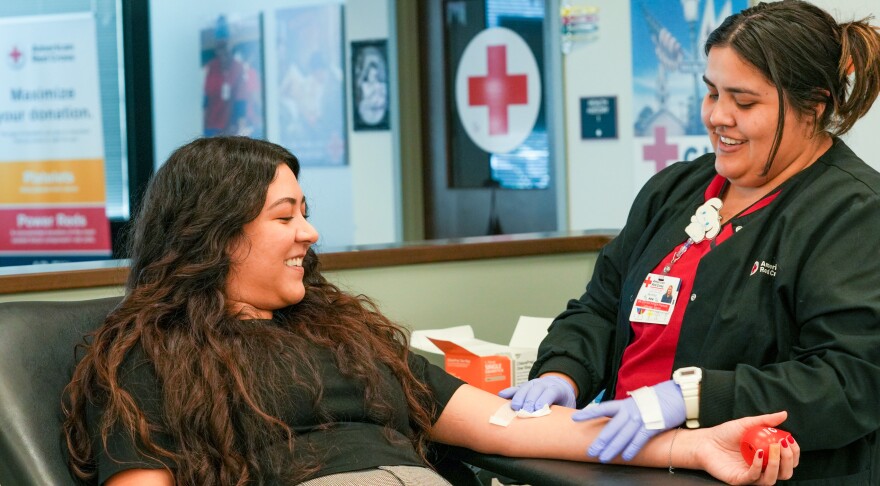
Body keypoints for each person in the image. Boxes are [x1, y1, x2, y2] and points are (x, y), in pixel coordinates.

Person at [62, 136, 798, 485]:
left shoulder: (341, 335)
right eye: (285, 217)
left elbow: (511, 427)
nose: (309, 234)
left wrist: (688, 446)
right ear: (219, 237)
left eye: (305, 213)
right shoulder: (146, 360)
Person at [502, 1, 880, 483]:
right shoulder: (675, 190)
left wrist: (691, 397)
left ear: (815, 105)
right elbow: (601, 307)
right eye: (711, 93)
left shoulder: (855, 213)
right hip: (630, 459)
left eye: (744, 102)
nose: (718, 116)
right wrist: (564, 371)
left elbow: (850, 381)